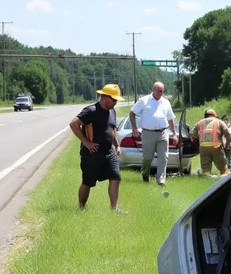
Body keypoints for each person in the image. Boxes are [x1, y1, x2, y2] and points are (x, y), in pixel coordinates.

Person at [68, 83, 126, 213]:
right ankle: (81, 208)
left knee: (115, 177)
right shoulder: (91, 110)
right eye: (114, 99)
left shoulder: (112, 111)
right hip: (92, 153)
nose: (116, 102)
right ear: (105, 97)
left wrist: (117, 145)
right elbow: (73, 124)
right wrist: (86, 143)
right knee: (88, 182)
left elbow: (113, 129)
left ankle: (114, 208)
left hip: (109, 150)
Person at [128, 81, 178, 186]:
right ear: (153, 90)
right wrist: (134, 128)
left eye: (162, 91)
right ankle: (145, 173)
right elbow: (132, 113)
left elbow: (170, 118)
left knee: (163, 157)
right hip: (148, 133)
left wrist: (174, 133)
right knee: (148, 157)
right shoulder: (144, 101)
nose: (161, 93)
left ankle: (161, 180)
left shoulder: (166, 102)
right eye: (159, 90)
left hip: (163, 132)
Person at [190, 108, 231, 176]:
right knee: (223, 168)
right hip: (216, 147)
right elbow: (228, 134)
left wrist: (197, 142)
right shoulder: (219, 122)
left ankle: (207, 178)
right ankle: (224, 176)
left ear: (205, 115)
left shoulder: (199, 123)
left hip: (203, 148)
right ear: (214, 115)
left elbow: (192, 135)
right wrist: (227, 145)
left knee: (205, 169)